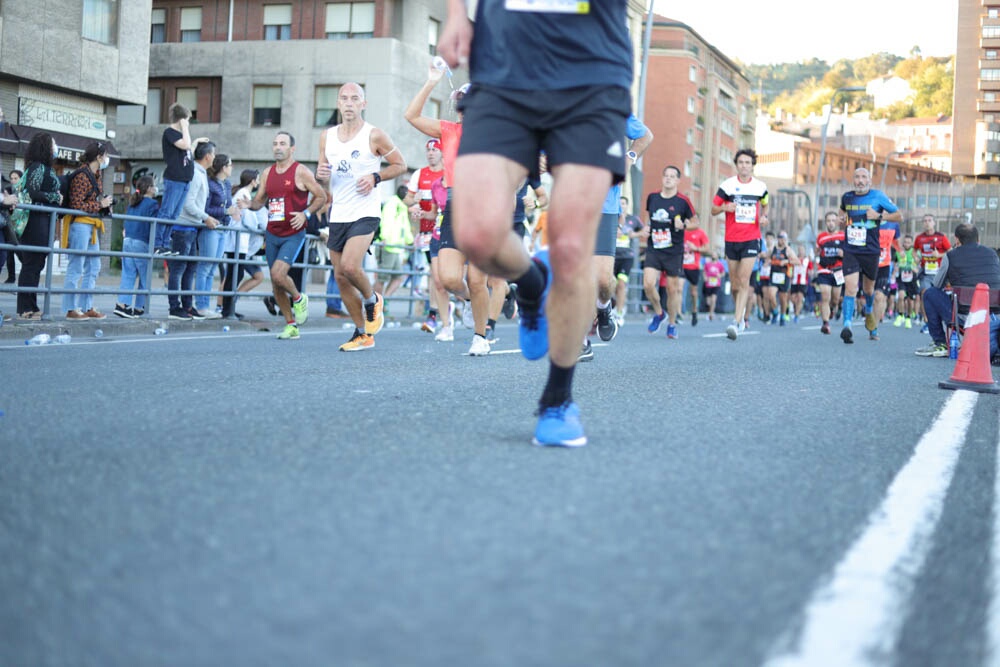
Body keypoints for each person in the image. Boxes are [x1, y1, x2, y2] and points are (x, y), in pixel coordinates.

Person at [438, 0, 632, 446]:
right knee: (476, 233)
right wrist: (454, 14)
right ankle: (530, 283)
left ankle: (558, 399)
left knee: (570, 247)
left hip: (591, 78)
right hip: (503, 72)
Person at [403, 66, 489, 356]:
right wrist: (430, 82)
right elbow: (411, 116)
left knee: (478, 279)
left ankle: (480, 336)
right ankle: (466, 301)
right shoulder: (449, 131)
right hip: (455, 207)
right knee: (450, 279)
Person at [316, 84, 406, 351]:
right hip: (339, 212)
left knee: (351, 267)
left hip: (365, 211)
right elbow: (325, 180)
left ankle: (372, 299)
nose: (349, 103)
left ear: (363, 104)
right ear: (337, 103)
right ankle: (362, 333)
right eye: (344, 98)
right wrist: (321, 176)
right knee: (341, 277)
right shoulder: (327, 137)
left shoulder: (374, 135)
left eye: (355, 99)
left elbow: (400, 164)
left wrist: (375, 176)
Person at [249, 131, 329, 339]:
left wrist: (306, 214)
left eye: (282, 144)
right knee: (276, 284)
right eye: (275, 143)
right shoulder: (267, 173)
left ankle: (298, 298)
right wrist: (247, 204)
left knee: (277, 274)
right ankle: (291, 325)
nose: (277, 147)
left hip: (293, 233)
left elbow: (321, 196)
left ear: (292, 149)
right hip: (272, 233)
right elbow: (259, 201)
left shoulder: (300, 171)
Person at [588, 112, 651, 354]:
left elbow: (645, 135)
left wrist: (631, 156)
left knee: (604, 280)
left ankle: (604, 307)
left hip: (606, 206)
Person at [837, 167, 902, 344]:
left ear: (869, 181)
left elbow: (898, 216)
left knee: (868, 290)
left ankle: (869, 311)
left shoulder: (878, 196)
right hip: (851, 249)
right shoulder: (847, 197)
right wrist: (841, 220)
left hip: (871, 251)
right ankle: (847, 326)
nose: (860, 180)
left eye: (863, 177)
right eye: (857, 176)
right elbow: (842, 214)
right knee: (850, 288)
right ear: (853, 180)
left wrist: (879, 215)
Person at [915, 223, 1000, 357]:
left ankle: (940, 343)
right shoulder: (993, 254)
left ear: (957, 240)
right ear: (978, 239)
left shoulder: (951, 256)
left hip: (965, 317)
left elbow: (937, 285)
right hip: (994, 316)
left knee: (930, 294)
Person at [712, 149, 769, 341]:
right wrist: (724, 207)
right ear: (737, 165)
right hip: (731, 239)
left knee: (744, 280)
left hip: (751, 238)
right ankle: (742, 314)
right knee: (735, 284)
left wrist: (764, 216)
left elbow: (766, 203)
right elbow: (713, 209)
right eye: (741, 162)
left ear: (753, 165)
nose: (744, 165)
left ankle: (737, 321)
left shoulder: (760, 187)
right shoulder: (728, 185)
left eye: (748, 162)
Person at [166, 140, 218, 321]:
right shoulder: (196, 173)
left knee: (189, 269)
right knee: (179, 269)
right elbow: (188, 204)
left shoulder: (200, 172)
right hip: (183, 227)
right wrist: (206, 217)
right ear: (208, 156)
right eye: (214, 153)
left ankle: (187, 306)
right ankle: (175, 307)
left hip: (191, 227)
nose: (215, 157)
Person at [62, 141, 113, 320]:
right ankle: (71, 308)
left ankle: (87, 306)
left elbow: (89, 202)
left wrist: (103, 206)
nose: (107, 159)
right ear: (98, 157)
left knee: (93, 266)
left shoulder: (97, 174)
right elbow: (76, 203)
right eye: (105, 155)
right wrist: (100, 204)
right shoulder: (82, 175)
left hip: (91, 224)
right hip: (81, 224)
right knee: (76, 266)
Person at [643, 165, 695, 340]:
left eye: (672, 176)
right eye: (666, 175)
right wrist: (646, 228)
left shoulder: (683, 201)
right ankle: (659, 314)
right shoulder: (653, 197)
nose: (668, 179)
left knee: (672, 290)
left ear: (678, 180)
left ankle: (672, 324)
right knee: (648, 284)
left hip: (673, 250)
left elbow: (696, 222)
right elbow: (648, 217)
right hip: (654, 248)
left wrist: (685, 225)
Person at [15, 134, 62, 320]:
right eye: (53, 144)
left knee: (36, 265)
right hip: (35, 221)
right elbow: (33, 192)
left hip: (43, 220)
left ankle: (31, 306)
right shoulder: (37, 167)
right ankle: (24, 308)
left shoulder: (43, 167)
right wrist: (55, 197)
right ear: (45, 147)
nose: (55, 147)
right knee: (31, 265)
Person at [405, 139, 448, 333]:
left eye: (435, 150)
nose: (431, 153)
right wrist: (413, 206)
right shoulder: (419, 174)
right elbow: (408, 197)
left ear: (442, 153)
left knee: (448, 275)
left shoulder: (448, 174)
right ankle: (433, 313)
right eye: (428, 150)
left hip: (448, 228)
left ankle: (454, 305)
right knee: (435, 274)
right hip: (428, 230)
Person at [195, 153, 238, 319]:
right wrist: (225, 211)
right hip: (210, 227)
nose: (232, 168)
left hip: (223, 228)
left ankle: (206, 306)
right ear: (223, 167)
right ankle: (201, 306)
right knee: (205, 266)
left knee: (213, 268)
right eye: (230, 165)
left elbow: (228, 205)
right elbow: (204, 208)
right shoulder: (209, 183)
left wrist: (232, 212)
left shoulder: (227, 184)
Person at [222, 169, 265, 319]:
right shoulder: (243, 194)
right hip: (237, 240)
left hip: (241, 241)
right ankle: (227, 309)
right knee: (234, 274)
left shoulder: (243, 193)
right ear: (253, 181)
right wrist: (258, 228)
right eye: (257, 179)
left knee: (236, 274)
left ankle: (229, 308)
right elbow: (247, 219)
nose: (259, 182)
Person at [153, 103, 196, 256]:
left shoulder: (181, 135)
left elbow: (188, 149)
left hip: (184, 180)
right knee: (166, 212)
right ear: (182, 119)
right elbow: (185, 145)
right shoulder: (170, 132)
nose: (189, 123)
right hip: (175, 179)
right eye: (188, 120)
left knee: (174, 214)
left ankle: (165, 244)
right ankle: (158, 244)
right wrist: (185, 127)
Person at [114, 175, 159, 318]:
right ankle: (140, 307)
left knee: (128, 274)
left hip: (128, 240)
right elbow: (154, 225)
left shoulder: (132, 203)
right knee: (145, 277)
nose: (156, 188)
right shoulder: (152, 204)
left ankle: (123, 305)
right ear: (150, 188)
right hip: (142, 242)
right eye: (155, 185)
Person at [374, 184, 414, 306]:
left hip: (396, 248)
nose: (412, 199)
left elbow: (404, 226)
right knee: (382, 278)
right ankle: (375, 305)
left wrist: (410, 241)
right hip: (387, 246)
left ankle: (383, 301)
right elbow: (386, 220)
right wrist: (384, 238)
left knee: (398, 278)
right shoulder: (392, 204)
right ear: (405, 196)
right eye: (410, 196)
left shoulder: (401, 206)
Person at [913, 213, 951, 332]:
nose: (927, 222)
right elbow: (914, 251)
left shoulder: (941, 237)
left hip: (939, 272)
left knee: (938, 296)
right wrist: (916, 257)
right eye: (924, 221)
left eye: (929, 220)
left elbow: (950, 251)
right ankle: (927, 321)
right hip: (926, 272)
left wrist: (938, 254)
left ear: (934, 223)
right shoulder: (919, 238)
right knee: (924, 294)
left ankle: (940, 320)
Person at [869, 213, 901, 340]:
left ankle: (874, 328)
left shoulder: (893, 224)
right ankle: (869, 314)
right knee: (869, 295)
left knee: (879, 296)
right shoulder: (868, 222)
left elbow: (896, 242)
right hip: (869, 264)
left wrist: (901, 252)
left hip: (884, 265)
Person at [613, 196, 644, 325]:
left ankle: (619, 313)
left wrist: (633, 235)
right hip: (611, 256)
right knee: (609, 285)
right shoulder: (611, 218)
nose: (622, 205)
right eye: (619, 203)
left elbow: (644, 230)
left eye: (624, 203)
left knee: (621, 284)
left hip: (627, 257)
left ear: (627, 205)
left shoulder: (633, 219)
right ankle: (617, 305)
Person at [815, 211, 845, 335]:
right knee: (825, 295)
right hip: (824, 269)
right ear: (825, 222)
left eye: (833, 220)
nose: (831, 223)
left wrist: (844, 254)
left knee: (835, 299)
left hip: (838, 270)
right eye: (828, 221)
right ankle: (825, 324)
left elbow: (850, 252)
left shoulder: (843, 236)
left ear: (837, 222)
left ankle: (833, 308)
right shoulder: (821, 237)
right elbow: (817, 251)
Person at [761, 231, 798, 326]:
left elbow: (797, 261)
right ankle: (775, 312)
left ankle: (782, 316)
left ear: (786, 240)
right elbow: (766, 256)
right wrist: (765, 260)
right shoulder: (773, 249)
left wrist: (786, 261)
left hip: (784, 276)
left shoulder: (788, 250)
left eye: (783, 238)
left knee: (783, 298)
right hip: (774, 275)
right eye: (780, 238)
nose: (781, 240)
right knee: (770, 295)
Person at [682, 213, 711, 325]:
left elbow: (707, 248)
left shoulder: (700, 233)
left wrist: (696, 248)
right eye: (690, 219)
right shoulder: (683, 232)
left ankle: (694, 311)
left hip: (693, 266)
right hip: (681, 265)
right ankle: (678, 313)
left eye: (695, 220)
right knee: (678, 288)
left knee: (693, 292)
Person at [894, 233, 920, 328]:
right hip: (901, 276)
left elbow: (918, 262)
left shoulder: (915, 252)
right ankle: (901, 315)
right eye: (905, 242)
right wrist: (894, 272)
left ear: (912, 243)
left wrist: (916, 265)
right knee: (901, 296)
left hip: (912, 277)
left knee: (910, 300)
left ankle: (908, 317)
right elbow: (896, 263)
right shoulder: (899, 252)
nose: (906, 244)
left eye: (909, 242)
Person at [2, 168, 22, 283]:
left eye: (16, 178)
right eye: (11, 178)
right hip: (9, 226)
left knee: (21, 253)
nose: (13, 180)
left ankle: (26, 276)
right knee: (9, 253)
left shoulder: (24, 191)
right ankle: (11, 278)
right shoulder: (7, 190)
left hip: (20, 227)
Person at [702, 253, 726, 320]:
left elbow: (723, 273)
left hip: (716, 284)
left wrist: (720, 275)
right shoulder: (707, 264)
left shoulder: (720, 264)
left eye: (714, 255)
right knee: (708, 301)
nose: (713, 256)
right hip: (708, 284)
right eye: (712, 255)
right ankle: (710, 311)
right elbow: (704, 271)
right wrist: (705, 277)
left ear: (717, 256)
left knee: (713, 299)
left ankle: (711, 313)